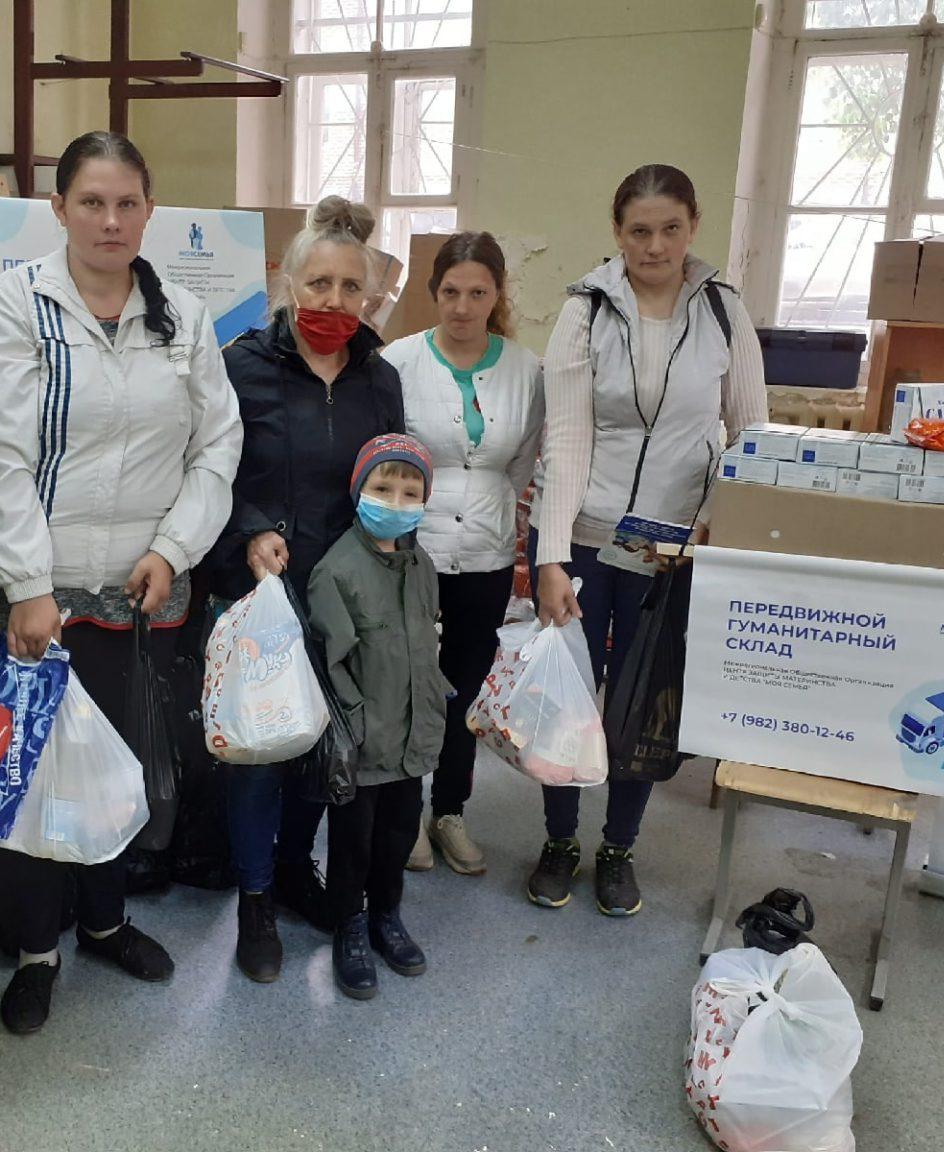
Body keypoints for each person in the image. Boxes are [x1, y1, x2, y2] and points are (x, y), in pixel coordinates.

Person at [0, 131, 242, 1036]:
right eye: (91, 202)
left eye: (128, 204)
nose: (111, 221)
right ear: (58, 211)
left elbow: (217, 445)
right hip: (32, 598)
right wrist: (30, 584)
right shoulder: (17, 304)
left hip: (136, 593)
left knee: (114, 771)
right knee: (34, 776)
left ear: (150, 211)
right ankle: (37, 949)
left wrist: (175, 547)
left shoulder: (183, 320)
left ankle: (108, 919)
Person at [529, 163, 767, 916]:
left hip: (672, 555)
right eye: (639, 230)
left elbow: (751, 437)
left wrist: (716, 523)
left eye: (670, 228)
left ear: (692, 228)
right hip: (590, 544)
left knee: (640, 705)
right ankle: (561, 839)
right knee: (569, 700)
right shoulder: (586, 310)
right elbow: (565, 439)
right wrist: (551, 555)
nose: (655, 245)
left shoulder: (724, 309)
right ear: (617, 233)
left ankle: (619, 848)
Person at [204, 197, 404, 983]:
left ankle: (293, 869)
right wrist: (252, 528)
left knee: (325, 743)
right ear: (287, 284)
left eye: (349, 287)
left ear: (367, 295)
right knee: (260, 749)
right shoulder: (239, 365)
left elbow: (391, 475)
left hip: (341, 595)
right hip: (257, 591)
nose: (333, 301)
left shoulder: (379, 379)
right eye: (317, 283)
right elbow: (209, 467)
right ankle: (254, 899)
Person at [382, 232, 544, 876]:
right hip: (410, 550)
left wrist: (499, 521)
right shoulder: (398, 362)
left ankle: (448, 810)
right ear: (434, 293)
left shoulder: (525, 370)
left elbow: (524, 461)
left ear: (497, 294)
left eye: (478, 293)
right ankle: (402, 813)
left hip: (485, 552)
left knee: (464, 687)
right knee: (407, 684)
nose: (462, 306)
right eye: (450, 292)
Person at [307, 434, 450, 1000]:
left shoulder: (422, 566)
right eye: (382, 487)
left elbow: (427, 644)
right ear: (358, 491)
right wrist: (358, 724)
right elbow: (330, 664)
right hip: (364, 745)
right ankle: (350, 924)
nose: (395, 501)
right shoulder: (336, 572)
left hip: (414, 737)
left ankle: (387, 915)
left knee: (396, 839)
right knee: (353, 845)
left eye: (410, 491)